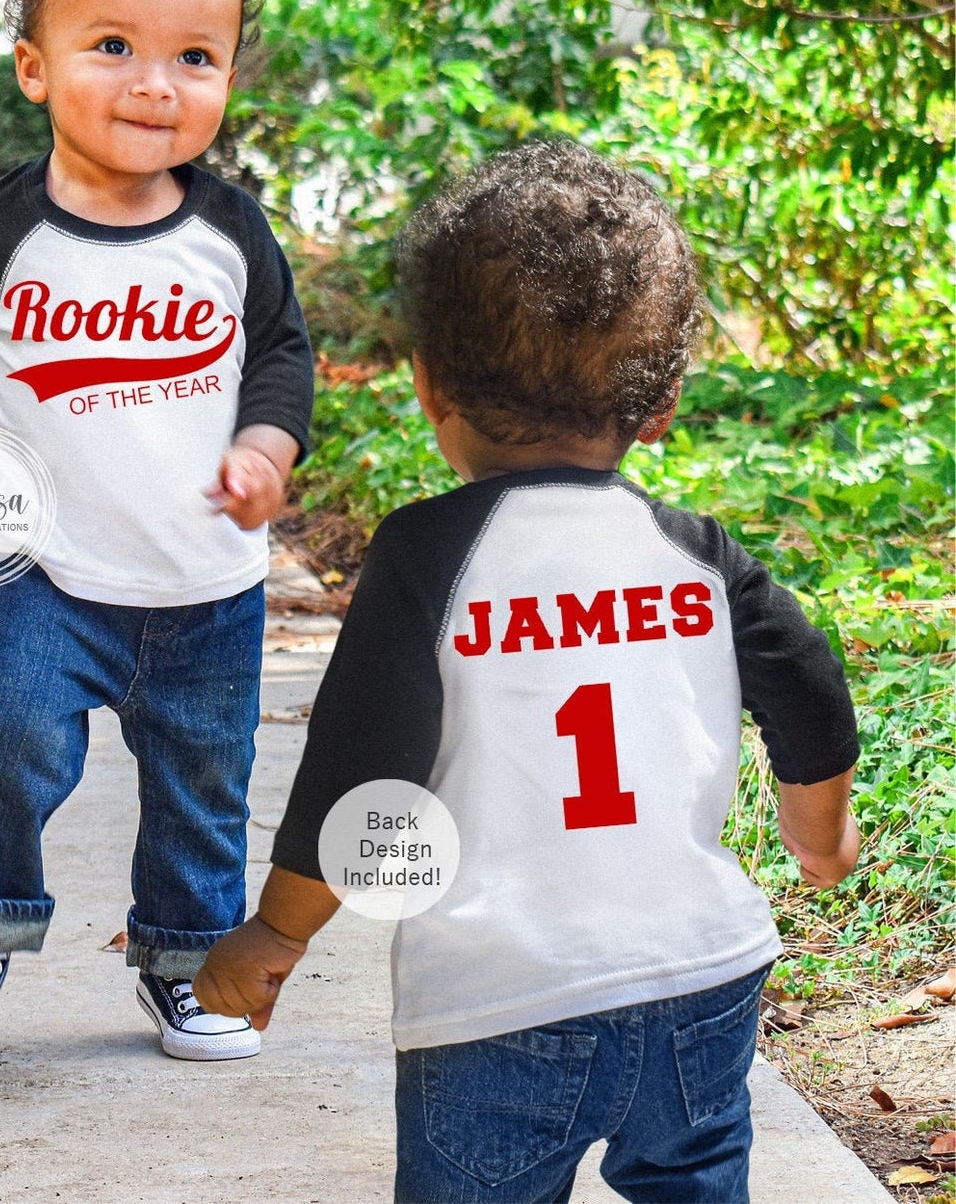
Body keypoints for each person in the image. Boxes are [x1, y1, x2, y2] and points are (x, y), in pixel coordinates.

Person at [194, 141, 860, 1200]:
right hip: (700, 979)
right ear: (661, 400)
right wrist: (815, 833)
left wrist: (277, 930)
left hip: (501, 1003)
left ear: (427, 388)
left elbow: (366, 775)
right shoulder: (697, 554)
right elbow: (810, 688)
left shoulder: (426, 557)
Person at [0, 0, 313, 1063]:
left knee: (205, 783)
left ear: (226, 74)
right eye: (112, 45)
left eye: (194, 57)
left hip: (205, 580)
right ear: (34, 66)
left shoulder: (230, 232)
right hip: (43, 571)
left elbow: (278, 353)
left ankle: (185, 960)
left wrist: (265, 444)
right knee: (4, 743)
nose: (155, 83)